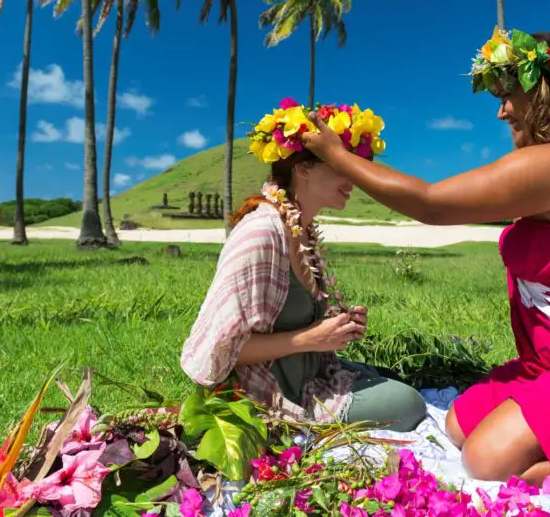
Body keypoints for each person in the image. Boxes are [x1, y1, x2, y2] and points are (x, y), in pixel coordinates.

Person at [301, 30, 550, 488]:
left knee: (487, 462)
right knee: (461, 423)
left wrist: (335, 156)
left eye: (508, 95)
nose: (501, 110)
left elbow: (432, 202)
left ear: (549, 95)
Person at [180, 99, 427, 432]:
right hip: (268, 390)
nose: (353, 176)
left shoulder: (301, 227)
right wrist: (310, 338)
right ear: (303, 168)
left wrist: (335, 325)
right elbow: (219, 352)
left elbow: (287, 318)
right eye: (340, 163)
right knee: (410, 403)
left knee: (395, 380)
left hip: (308, 369)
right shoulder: (261, 233)